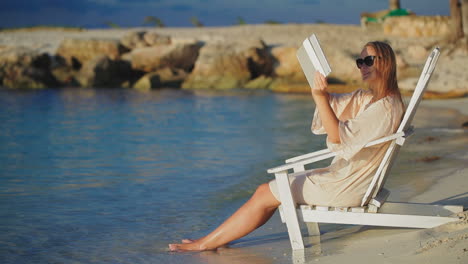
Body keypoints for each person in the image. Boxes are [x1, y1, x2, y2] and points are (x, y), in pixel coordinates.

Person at [168, 41, 404, 252]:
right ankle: (214, 239)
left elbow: (339, 137)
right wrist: (321, 91)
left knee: (265, 192)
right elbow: (337, 106)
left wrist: (320, 98)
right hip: (349, 177)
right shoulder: (374, 100)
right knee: (267, 191)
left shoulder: (384, 108)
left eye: (368, 60)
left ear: (386, 63)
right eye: (359, 61)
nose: (362, 65)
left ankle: (205, 243)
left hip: (348, 185)